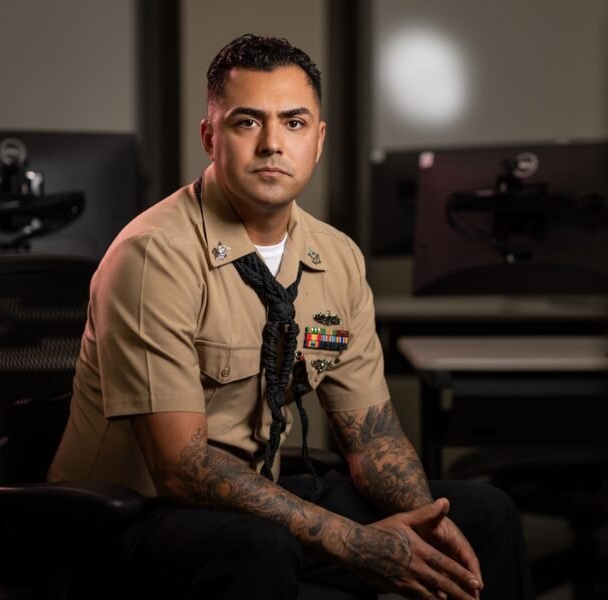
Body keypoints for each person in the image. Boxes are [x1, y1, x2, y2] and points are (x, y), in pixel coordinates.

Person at [48, 33, 534, 600]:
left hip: (249, 509)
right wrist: (351, 541)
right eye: (247, 122)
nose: (273, 144)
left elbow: (372, 439)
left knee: (486, 516)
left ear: (319, 140)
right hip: (119, 525)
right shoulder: (155, 255)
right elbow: (180, 468)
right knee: (260, 547)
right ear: (210, 136)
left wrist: (428, 523)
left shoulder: (337, 258)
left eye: (295, 123)